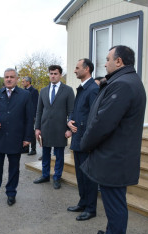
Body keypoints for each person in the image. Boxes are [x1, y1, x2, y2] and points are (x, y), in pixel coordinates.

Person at [80, 45, 146, 234]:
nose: (105, 63)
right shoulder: (123, 81)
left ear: (119, 61)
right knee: (113, 202)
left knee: (115, 205)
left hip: (114, 157)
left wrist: (85, 144)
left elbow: (103, 123)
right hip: (116, 155)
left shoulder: (123, 85)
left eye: (108, 59)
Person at [0, 68, 33, 206]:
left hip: (16, 138)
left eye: (12, 77)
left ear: (17, 79)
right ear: (3, 78)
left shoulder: (25, 95)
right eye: (6, 77)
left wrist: (27, 138)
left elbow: (30, 118)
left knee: (13, 168)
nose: (9, 79)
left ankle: (11, 193)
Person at [66, 59, 99, 221]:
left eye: (77, 68)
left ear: (87, 69)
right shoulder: (82, 88)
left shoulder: (93, 89)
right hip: (78, 140)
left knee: (89, 177)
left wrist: (88, 138)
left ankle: (91, 208)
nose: (75, 71)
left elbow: (95, 117)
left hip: (86, 142)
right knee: (80, 175)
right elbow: (76, 111)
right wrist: (70, 121)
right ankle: (83, 202)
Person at [34, 65, 75, 189]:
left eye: (55, 73)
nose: (53, 76)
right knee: (45, 154)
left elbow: (71, 111)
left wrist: (69, 130)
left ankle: (57, 177)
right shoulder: (43, 91)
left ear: (60, 75)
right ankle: (45, 175)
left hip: (60, 129)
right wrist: (37, 128)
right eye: (51, 73)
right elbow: (39, 111)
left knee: (59, 156)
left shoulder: (68, 90)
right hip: (45, 128)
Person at [21, 76, 39, 155]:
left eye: (23, 81)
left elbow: (36, 104)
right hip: (24, 115)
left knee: (31, 132)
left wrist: (34, 116)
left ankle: (33, 149)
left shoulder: (34, 91)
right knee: (24, 131)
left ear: (28, 82)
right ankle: (26, 148)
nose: (22, 83)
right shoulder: (22, 91)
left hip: (32, 115)